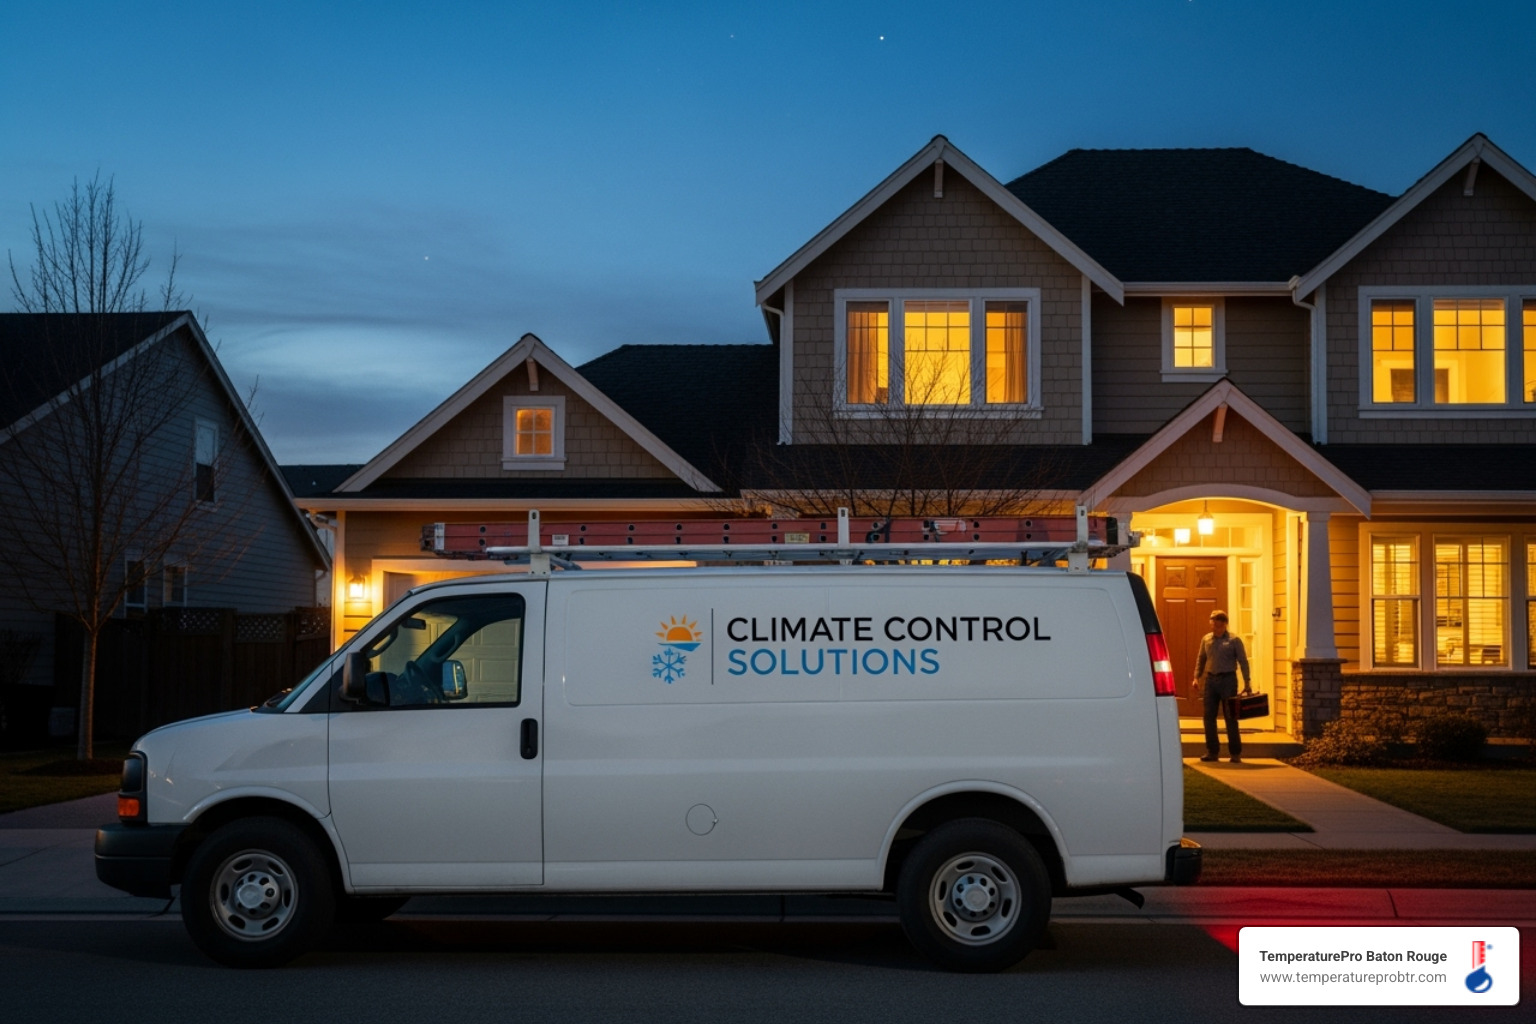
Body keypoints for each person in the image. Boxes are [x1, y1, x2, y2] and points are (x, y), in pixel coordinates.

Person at [1193, 610, 1250, 763]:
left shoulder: (1234, 640)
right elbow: (1201, 659)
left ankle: (1235, 753)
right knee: (1209, 717)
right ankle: (1212, 751)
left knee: (1230, 717)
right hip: (1211, 680)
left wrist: (1247, 681)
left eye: (1218, 626)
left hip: (1228, 680)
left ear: (1224, 624)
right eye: (1213, 626)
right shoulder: (1206, 639)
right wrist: (1196, 677)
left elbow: (1243, 661)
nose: (1215, 629)